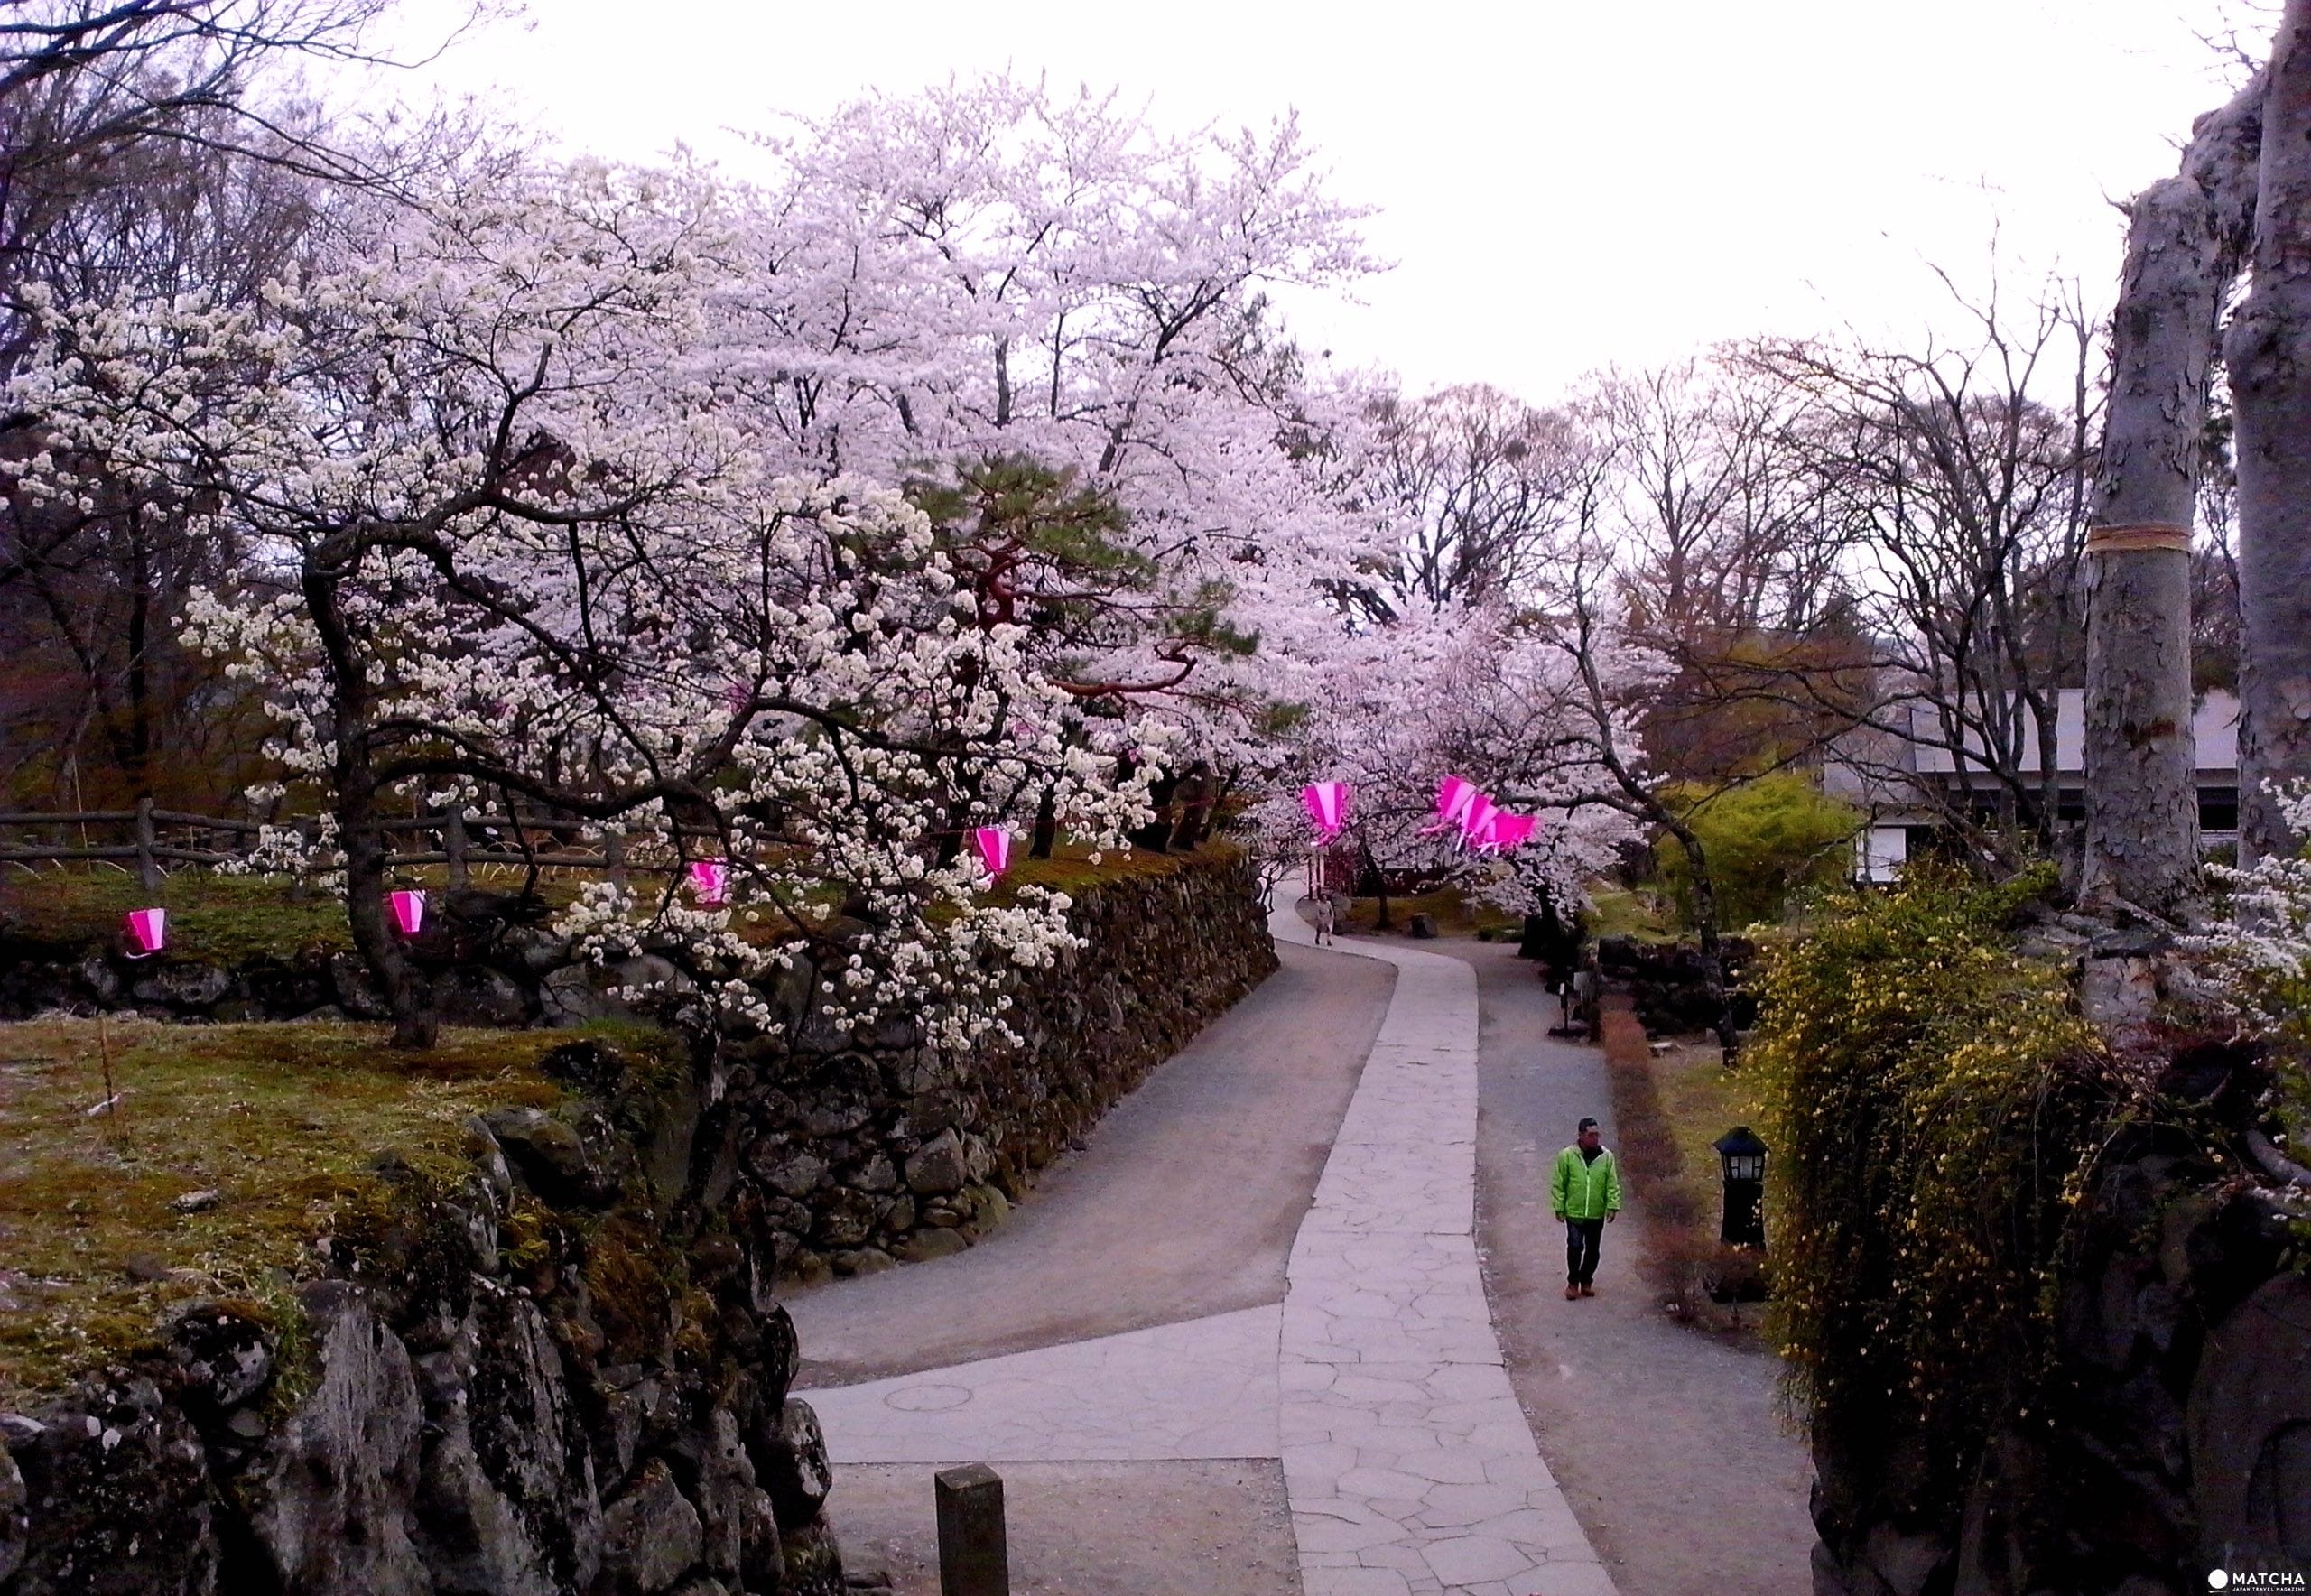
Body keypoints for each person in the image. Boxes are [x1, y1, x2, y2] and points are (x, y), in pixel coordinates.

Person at [1549, 1116, 1621, 1300]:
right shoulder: (1566, 1156)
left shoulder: (1606, 1157)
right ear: (1581, 1135)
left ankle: (1586, 1279)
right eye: (1591, 1135)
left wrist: (1612, 1205)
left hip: (1596, 1213)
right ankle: (1572, 1283)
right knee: (1574, 1246)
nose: (1595, 1139)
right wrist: (1559, 1206)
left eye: (1597, 1135)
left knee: (1593, 1251)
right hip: (1574, 1211)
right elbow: (1559, 1183)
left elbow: (1612, 1183)